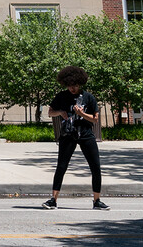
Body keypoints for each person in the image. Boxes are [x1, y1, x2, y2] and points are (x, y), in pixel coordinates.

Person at [41, 66, 107, 212]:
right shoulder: (62, 96)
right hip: (68, 135)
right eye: (70, 86)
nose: (72, 88)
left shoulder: (89, 97)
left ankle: (97, 201)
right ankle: (53, 200)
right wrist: (61, 112)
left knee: (95, 166)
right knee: (61, 167)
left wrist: (82, 114)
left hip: (86, 134)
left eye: (75, 86)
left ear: (80, 83)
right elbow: (50, 112)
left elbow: (95, 120)